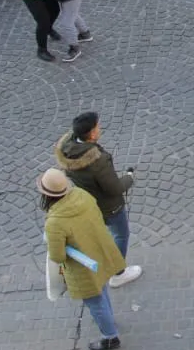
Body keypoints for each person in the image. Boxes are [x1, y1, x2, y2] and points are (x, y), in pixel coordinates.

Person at [39, 168, 126, 350]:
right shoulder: (82, 195)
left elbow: (57, 256)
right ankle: (110, 321)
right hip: (101, 252)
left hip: (83, 268)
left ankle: (110, 336)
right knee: (102, 291)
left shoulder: (54, 222)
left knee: (95, 301)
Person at [55, 112, 141, 288]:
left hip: (89, 203)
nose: (99, 129)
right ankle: (118, 273)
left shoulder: (67, 151)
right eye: (98, 126)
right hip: (109, 207)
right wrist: (129, 177)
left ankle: (105, 258)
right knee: (121, 235)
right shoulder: (98, 161)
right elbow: (114, 188)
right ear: (92, 134)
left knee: (104, 233)